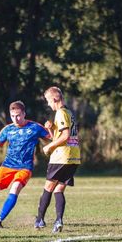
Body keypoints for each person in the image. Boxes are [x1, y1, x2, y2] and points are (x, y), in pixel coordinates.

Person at [34, 86, 81, 233]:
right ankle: (58, 221)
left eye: (48, 101)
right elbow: (61, 135)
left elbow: (65, 136)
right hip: (73, 157)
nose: (48, 104)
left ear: (55, 99)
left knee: (48, 188)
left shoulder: (60, 113)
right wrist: (51, 128)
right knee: (59, 189)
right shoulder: (69, 112)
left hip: (61, 156)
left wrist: (49, 147)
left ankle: (39, 220)